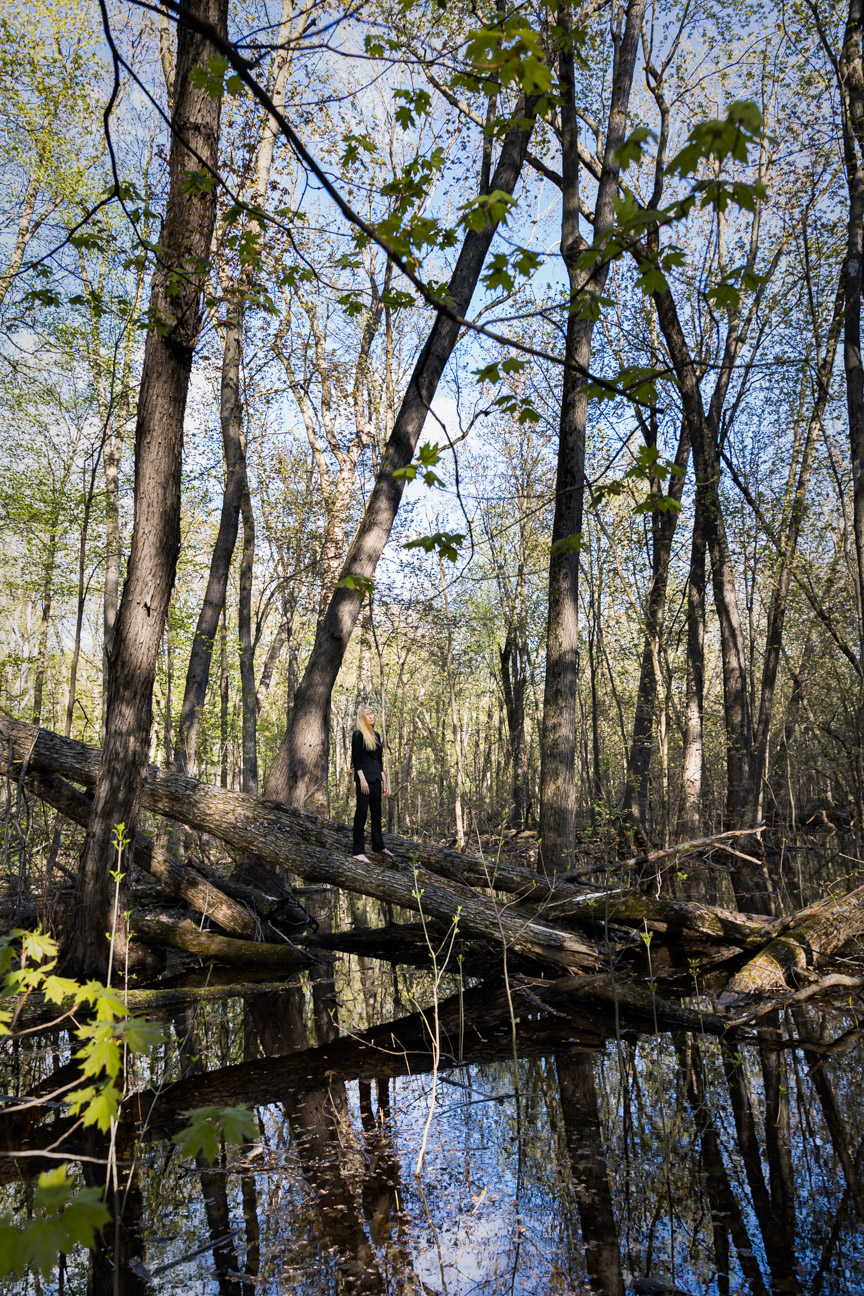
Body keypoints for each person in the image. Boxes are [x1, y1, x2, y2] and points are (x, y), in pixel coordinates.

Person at [351, 705, 393, 863]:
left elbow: (379, 761)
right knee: (361, 813)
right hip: (364, 780)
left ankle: (378, 845)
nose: (371, 716)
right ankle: (358, 851)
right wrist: (361, 779)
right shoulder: (358, 734)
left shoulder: (376, 735)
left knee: (377, 813)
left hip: (376, 779)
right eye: (367, 714)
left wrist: (385, 781)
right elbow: (356, 759)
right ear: (362, 718)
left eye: (372, 713)